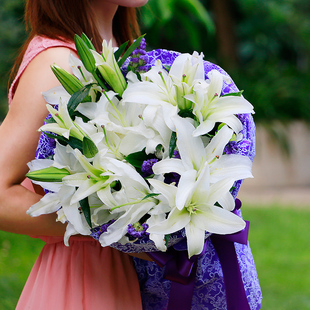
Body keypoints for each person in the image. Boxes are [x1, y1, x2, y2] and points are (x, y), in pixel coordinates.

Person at [0, 0, 149, 309]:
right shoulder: (58, 62)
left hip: (123, 277)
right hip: (85, 282)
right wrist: (118, 225)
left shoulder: (122, 52)